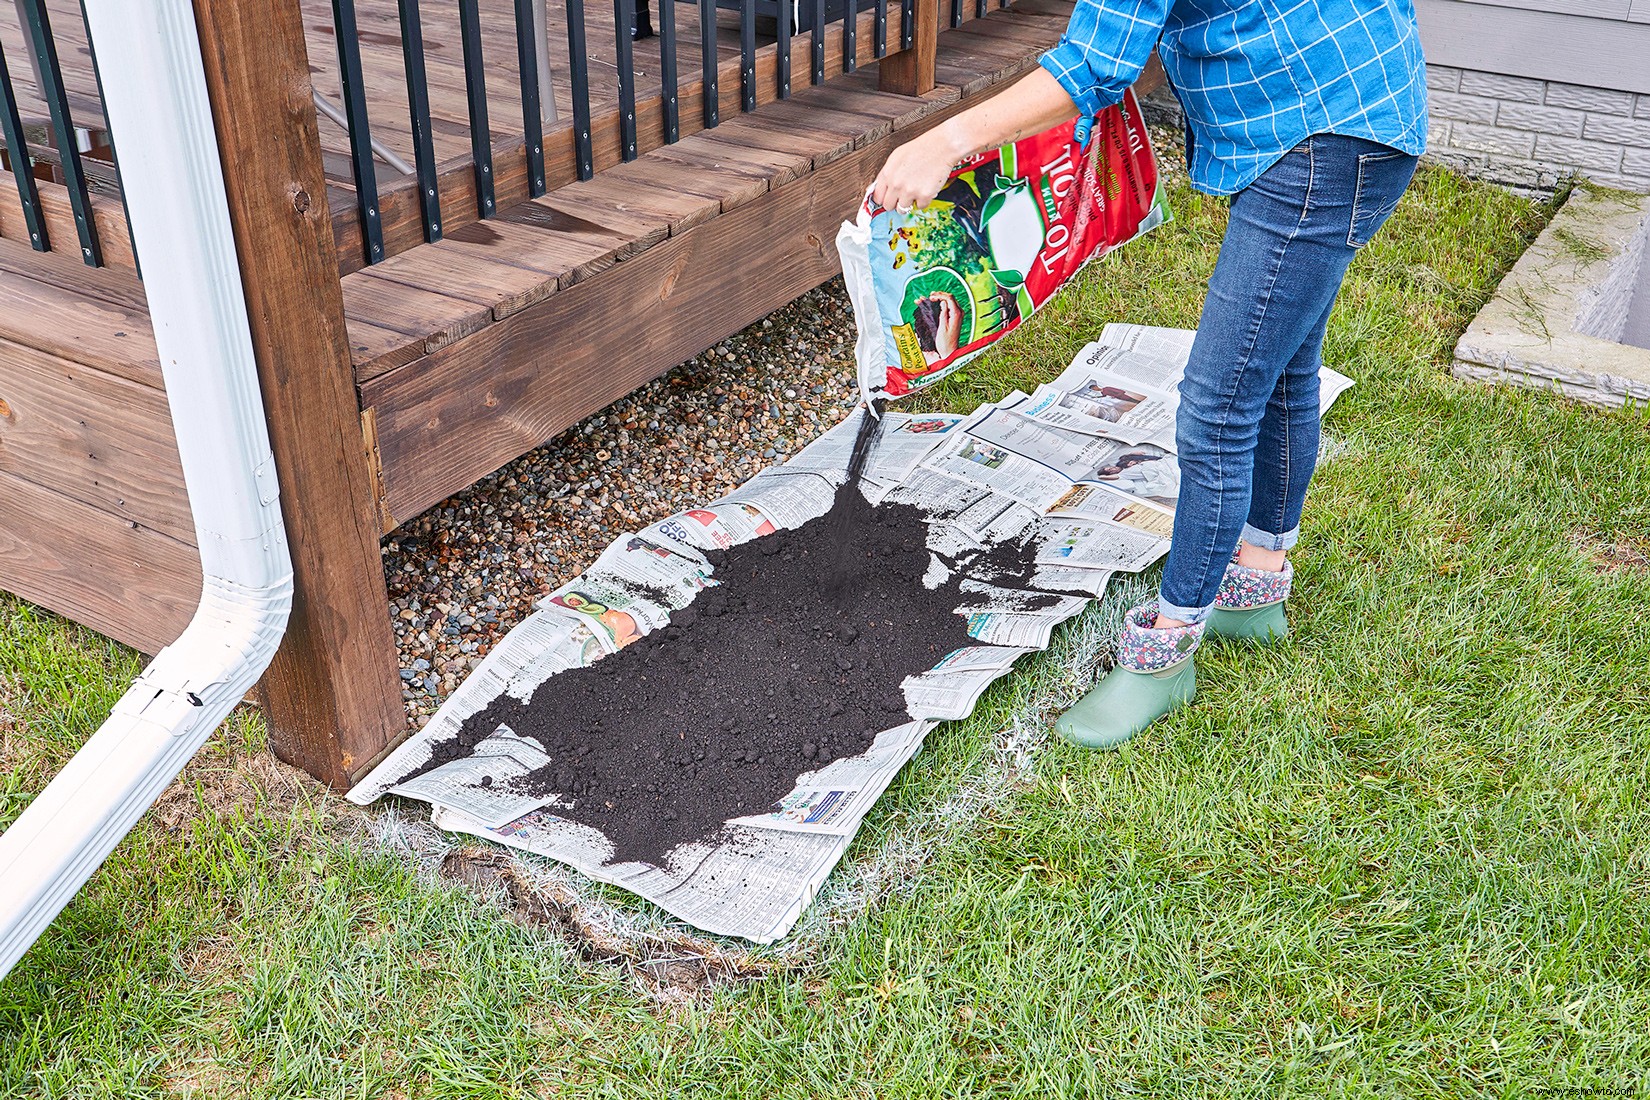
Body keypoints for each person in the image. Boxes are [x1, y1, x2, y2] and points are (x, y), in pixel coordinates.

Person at [872, 0, 1426, 747]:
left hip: (1322, 131)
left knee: (1216, 409)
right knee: (1285, 370)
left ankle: (1166, 656)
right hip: (1363, 98)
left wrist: (946, 138)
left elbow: (1094, 63)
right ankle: (1255, 591)